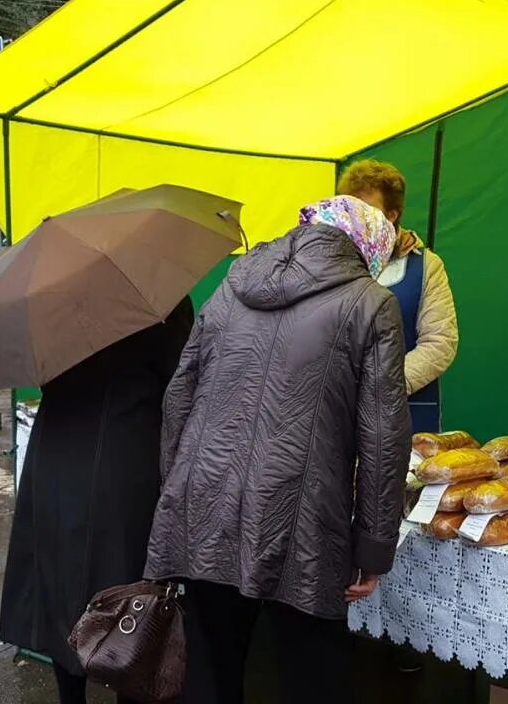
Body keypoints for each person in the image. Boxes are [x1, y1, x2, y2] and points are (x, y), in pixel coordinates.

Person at [144, 195, 411, 704]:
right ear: (369, 248)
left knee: (210, 665)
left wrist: (177, 493)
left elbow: (180, 396)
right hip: (304, 515)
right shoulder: (370, 303)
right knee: (311, 671)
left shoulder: (233, 284)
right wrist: (372, 549)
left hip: (206, 499)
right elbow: (384, 439)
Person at [0, 298, 193, 704]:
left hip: (54, 456)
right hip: (123, 466)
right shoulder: (159, 301)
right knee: (130, 603)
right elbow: (178, 389)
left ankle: (71, 696)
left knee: (58, 591)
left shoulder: (49, 297)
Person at [337, 159, 458, 433]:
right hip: (338, 414)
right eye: (349, 208)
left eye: (366, 209)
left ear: (391, 214)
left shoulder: (426, 265)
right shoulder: (329, 262)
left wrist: (379, 386)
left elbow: (440, 343)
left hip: (406, 415)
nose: (356, 218)